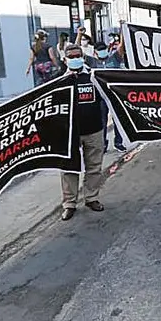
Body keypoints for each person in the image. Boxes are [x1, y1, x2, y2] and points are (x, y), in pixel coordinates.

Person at [59, 43, 107, 220]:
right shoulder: (59, 79)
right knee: (68, 168)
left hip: (94, 129)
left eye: (77, 55)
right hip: (70, 132)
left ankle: (91, 198)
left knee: (94, 166)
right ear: (65, 60)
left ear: (83, 57)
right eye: (70, 57)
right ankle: (69, 203)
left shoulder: (94, 76)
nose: (74, 59)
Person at [87, 42, 127, 152]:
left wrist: (123, 28)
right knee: (102, 121)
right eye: (99, 49)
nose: (102, 51)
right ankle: (103, 144)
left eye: (103, 49)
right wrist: (79, 35)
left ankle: (118, 142)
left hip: (114, 95)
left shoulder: (114, 58)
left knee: (117, 120)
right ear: (95, 52)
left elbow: (121, 47)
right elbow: (77, 51)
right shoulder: (92, 62)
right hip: (101, 97)